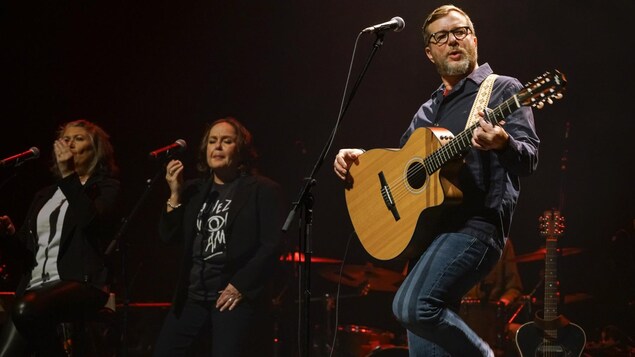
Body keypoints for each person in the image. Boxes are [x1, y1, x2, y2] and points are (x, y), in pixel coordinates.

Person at [333, 5, 539, 356]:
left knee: (411, 306)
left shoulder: (502, 89)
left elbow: (529, 158)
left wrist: (503, 142)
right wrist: (361, 160)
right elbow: (402, 172)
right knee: (423, 337)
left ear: (474, 39)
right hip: (427, 235)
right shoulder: (427, 110)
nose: (452, 41)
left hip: (475, 227)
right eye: (440, 37)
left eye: (460, 32)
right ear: (430, 52)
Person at [153, 117, 285, 357]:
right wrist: (174, 193)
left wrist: (239, 286)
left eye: (227, 141)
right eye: (212, 141)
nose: (218, 147)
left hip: (232, 297)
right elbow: (167, 236)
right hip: (193, 296)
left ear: (241, 149)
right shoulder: (193, 190)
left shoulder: (262, 190)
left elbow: (272, 245)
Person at [0, 119, 120, 356]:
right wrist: (8, 235)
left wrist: (68, 177)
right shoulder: (44, 195)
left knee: (26, 309)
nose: (70, 143)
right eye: (66, 139)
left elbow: (93, 224)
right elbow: (25, 252)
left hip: (80, 283)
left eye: (79, 138)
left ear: (96, 150)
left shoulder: (105, 187)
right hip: (34, 289)